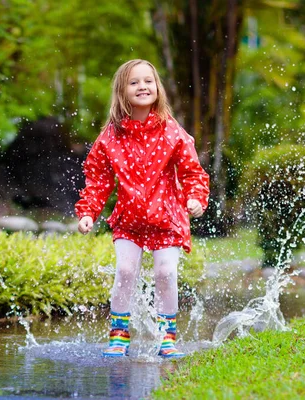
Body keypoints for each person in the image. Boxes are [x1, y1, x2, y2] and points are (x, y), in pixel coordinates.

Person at [75, 59, 210, 358]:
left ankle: (167, 336)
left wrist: (196, 198)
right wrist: (88, 212)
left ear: (157, 88)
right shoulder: (111, 136)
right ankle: (119, 334)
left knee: (165, 273)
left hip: (168, 216)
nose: (142, 86)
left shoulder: (172, 131)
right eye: (134, 82)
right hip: (129, 218)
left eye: (148, 81)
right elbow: (97, 178)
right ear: (122, 91)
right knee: (124, 270)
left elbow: (192, 172)